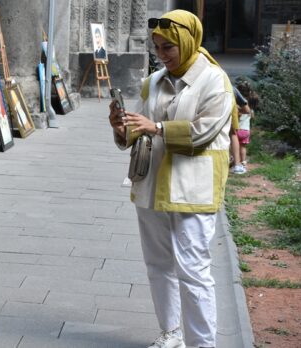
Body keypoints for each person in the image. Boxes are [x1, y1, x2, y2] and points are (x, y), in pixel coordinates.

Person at [108, 10, 233, 348]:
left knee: (193, 271)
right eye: (158, 48)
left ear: (188, 42)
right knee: (158, 265)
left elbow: (202, 133)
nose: (162, 55)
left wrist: (157, 128)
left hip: (193, 189)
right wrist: (122, 128)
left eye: (169, 48)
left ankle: (202, 344)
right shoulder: (154, 82)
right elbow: (138, 128)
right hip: (151, 185)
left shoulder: (215, 81)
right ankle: (171, 334)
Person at [234, 82, 259, 173]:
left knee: (233, 146)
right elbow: (252, 117)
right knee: (243, 147)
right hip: (246, 131)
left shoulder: (239, 108)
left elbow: (237, 117)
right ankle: (243, 162)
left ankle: (235, 160)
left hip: (237, 130)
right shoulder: (250, 109)